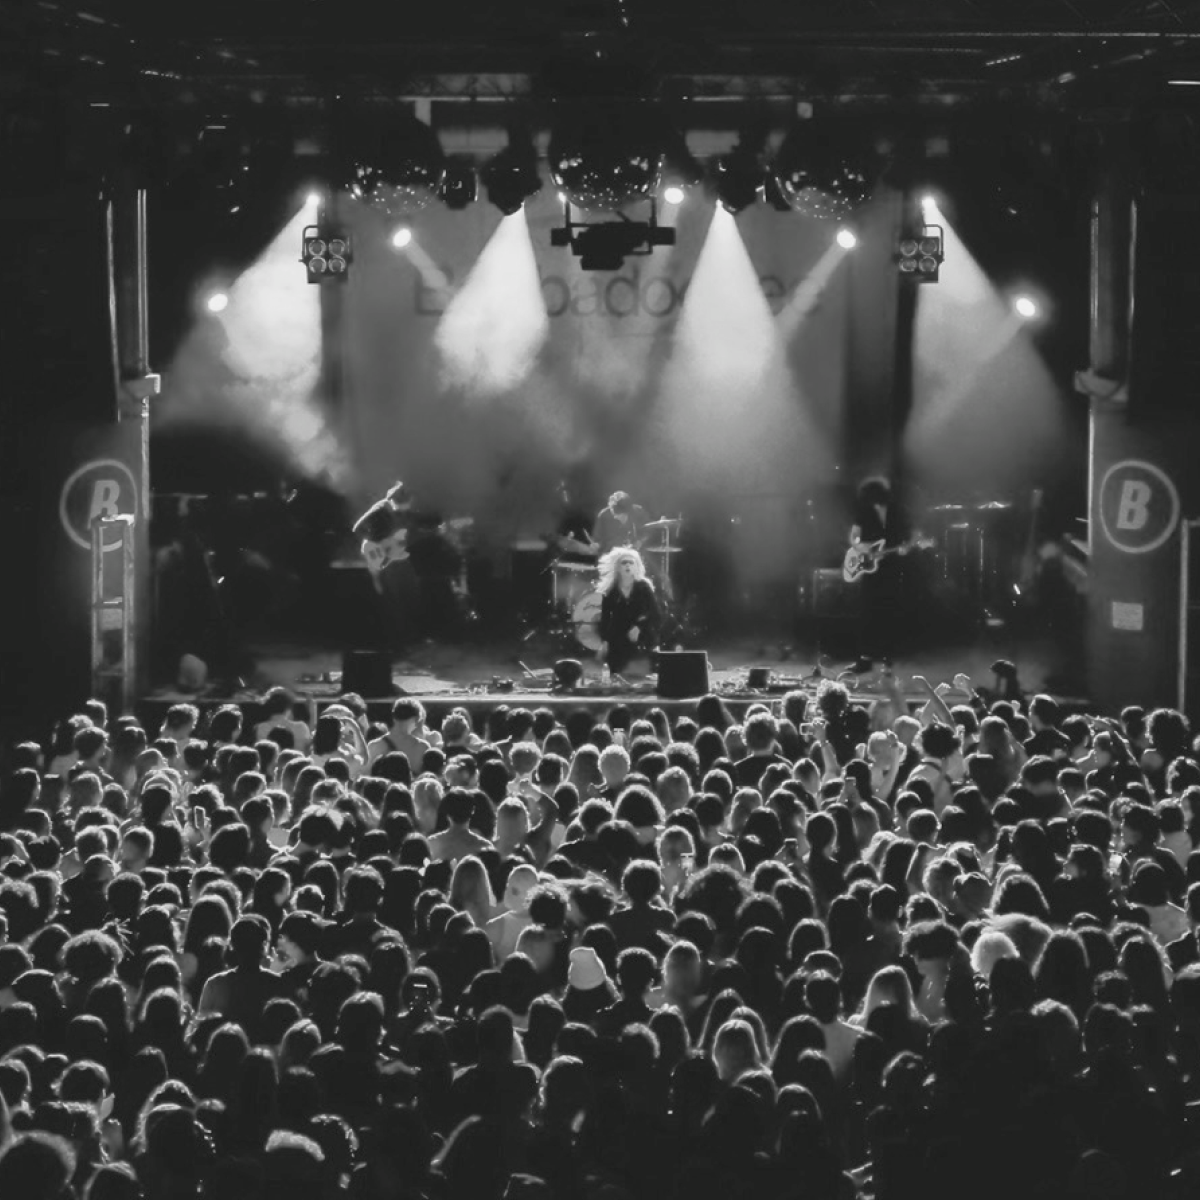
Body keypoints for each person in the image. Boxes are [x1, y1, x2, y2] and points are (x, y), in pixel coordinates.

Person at [352, 481, 417, 654]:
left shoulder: (391, 511)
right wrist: (377, 546)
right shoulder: (380, 508)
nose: (406, 508)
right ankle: (386, 640)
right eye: (406, 504)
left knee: (389, 592)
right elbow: (357, 529)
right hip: (374, 551)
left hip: (383, 553)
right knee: (382, 592)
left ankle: (393, 639)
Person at [847, 475, 907, 662]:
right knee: (868, 609)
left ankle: (887, 654)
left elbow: (910, 535)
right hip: (869, 567)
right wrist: (859, 547)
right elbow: (853, 536)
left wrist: (906, 546)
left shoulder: (897, 512)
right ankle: (866, 655)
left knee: (889, 608)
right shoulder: (863, 512)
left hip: (891, 566)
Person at [596, 547, 660, 677]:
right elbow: (605, 619)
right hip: (619, 632)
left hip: (642, 629)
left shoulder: (643, 587)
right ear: (617, 567)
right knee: (613, 663)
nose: (627, 565)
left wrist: (639, 627)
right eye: (624, 562)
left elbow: (655, 613)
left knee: (650, 638)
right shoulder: (610, 590)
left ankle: (654, 673)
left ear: (637, 566)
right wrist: (604, 642)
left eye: (631, 562)